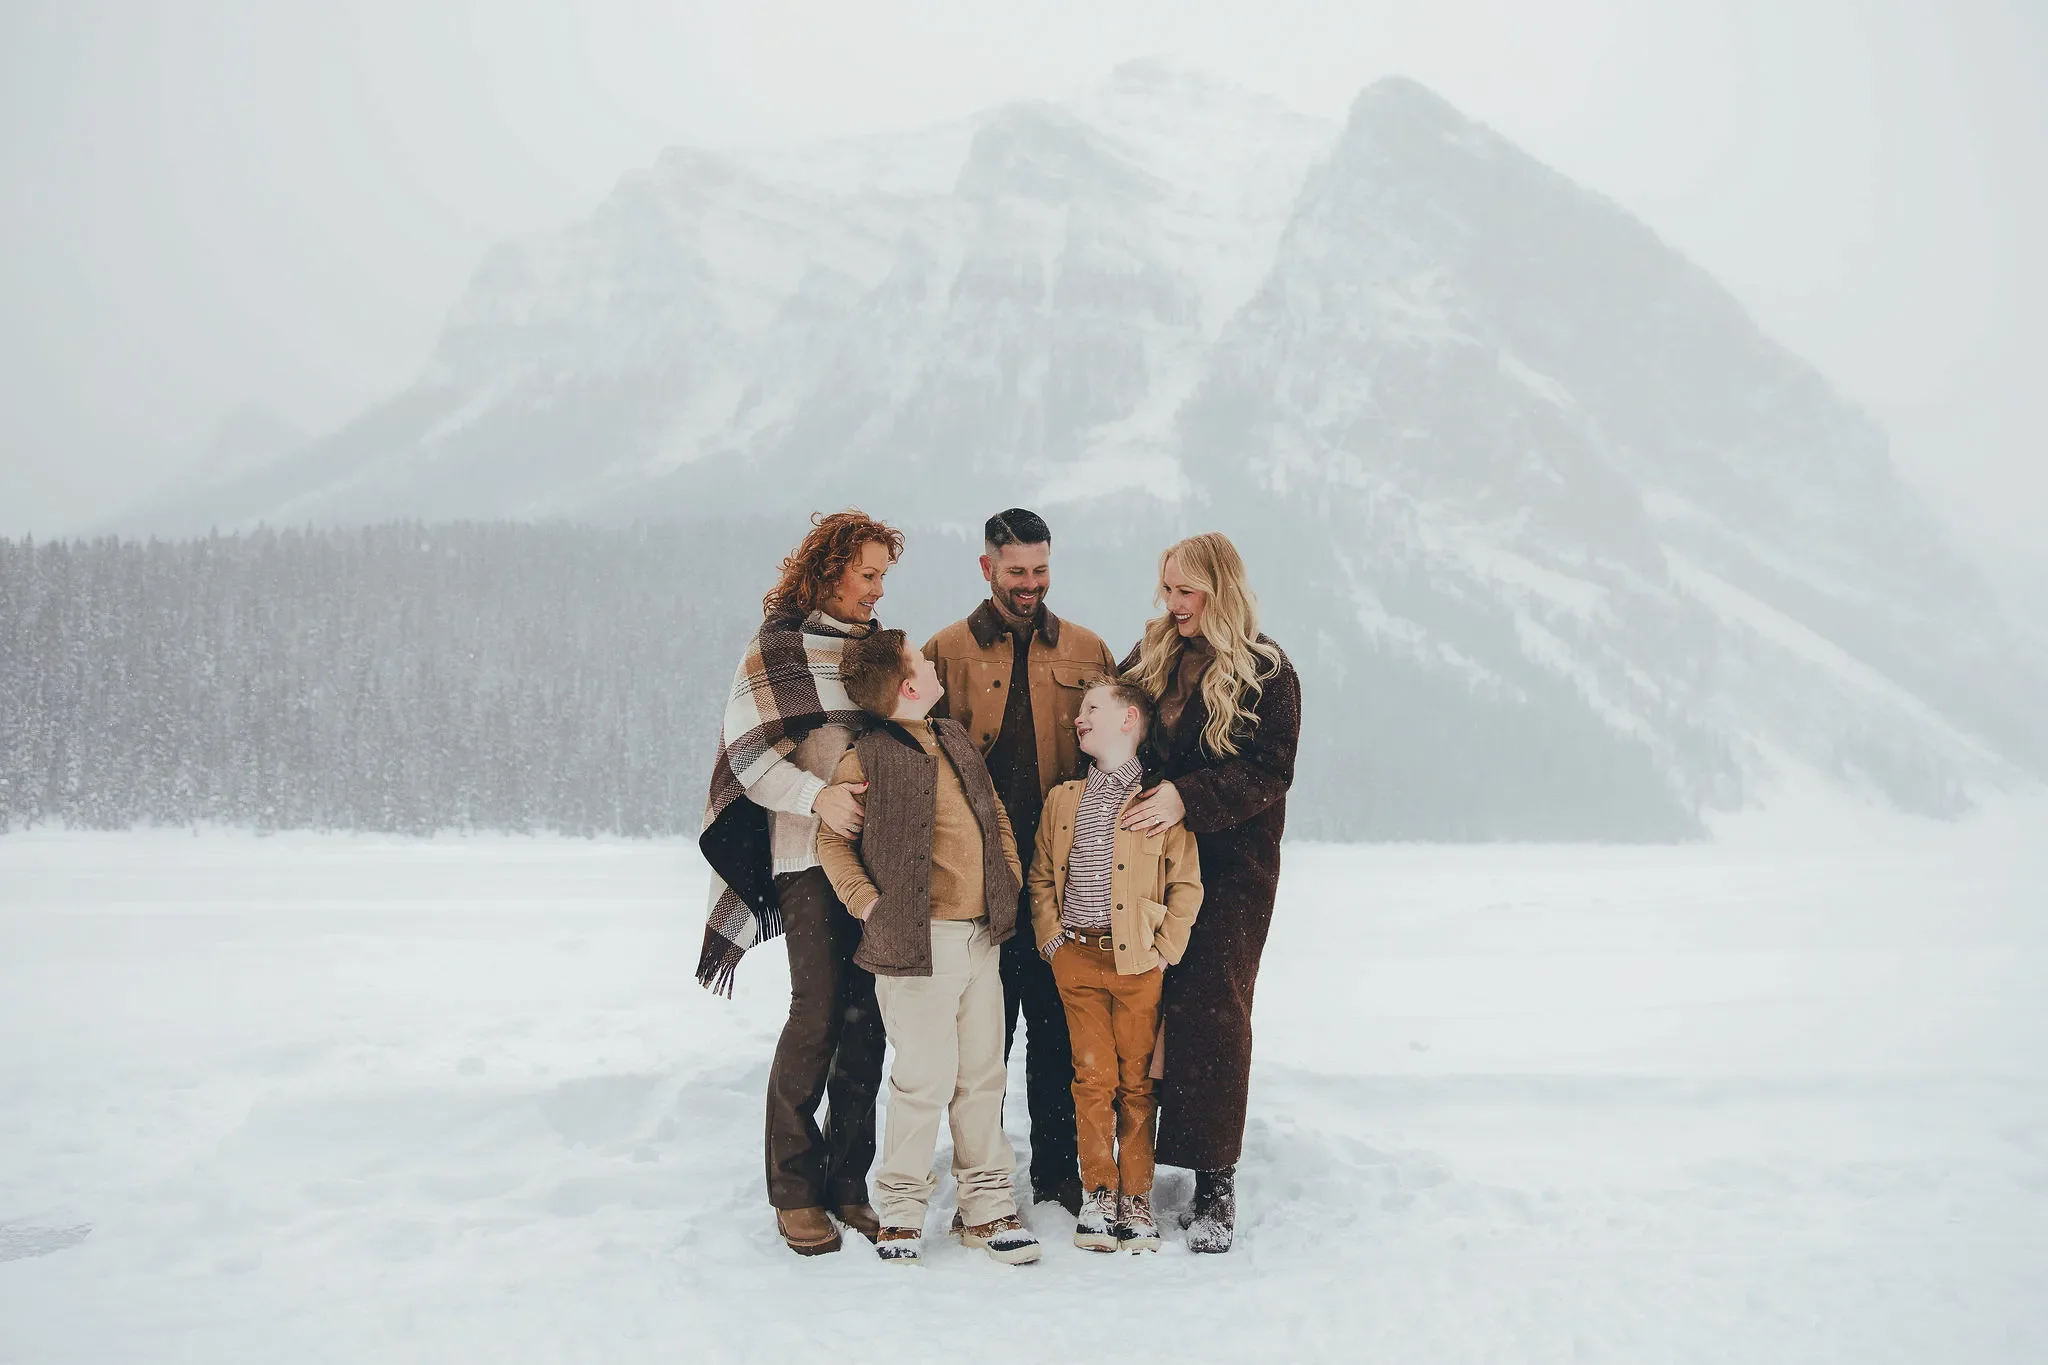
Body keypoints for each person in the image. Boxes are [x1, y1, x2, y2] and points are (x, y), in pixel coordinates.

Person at [695, 510, 901, 1258]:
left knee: (867, 1020)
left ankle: (848, 1182)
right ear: (830, 569)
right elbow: (748, 758)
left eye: (883, 576)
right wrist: (819, 798)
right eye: (867, 574)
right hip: (805, 857)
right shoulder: (779, 648)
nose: (877, 590)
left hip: (874, 862)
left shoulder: (880, 652)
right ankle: (794, 1189)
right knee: (817, 1013)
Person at [815, 629, 1042, 1267]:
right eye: (920, 659)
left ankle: (988, 1207)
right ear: (908, 686)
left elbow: (994, 814)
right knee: (922, 1080)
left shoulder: (954, 739)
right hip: (917, 946)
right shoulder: (865, 757)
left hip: (981, 937)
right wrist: (867, 903)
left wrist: (1008, 874)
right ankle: (902, 1211)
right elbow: (832, 842)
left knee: (983, 1076)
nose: (931, 663)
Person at [921, 508, 1115, 1214]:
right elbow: (915, 757)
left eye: (1040, 569)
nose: (1030, 584)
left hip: (1065, 880)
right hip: (977, 884)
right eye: (1015, 572)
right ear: (987, 568)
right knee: (982, 1040)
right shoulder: (944, 651)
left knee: (1061, 1031)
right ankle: (984, 1176)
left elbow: (1121, 750)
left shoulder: (1089, 651)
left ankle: (1060, 1179)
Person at [1118, 532, 1301, 1254]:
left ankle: (1214, 1179)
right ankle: (1129, 1163)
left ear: (1220, 589)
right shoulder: (1150, 655)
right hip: (1151, 864)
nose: (1174, 603)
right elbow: (1110, 729)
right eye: (1167, 588)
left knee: (1214, 1009)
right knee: (1144, 1000)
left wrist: (1185, 797)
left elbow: (1271, 770)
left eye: (1186, 590)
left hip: (1232, 868)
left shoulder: (1268, 670)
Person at [1028, 678, 1202, 1253]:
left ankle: (1136, 1198)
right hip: (1076, 960)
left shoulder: (1159, 803)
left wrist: (1165, 951)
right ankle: (1099, 1193)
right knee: (1092, 1079)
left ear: (1129, 719)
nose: (1078, 719)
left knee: (1136, 1083)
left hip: (1138, 966)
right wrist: (1052, 941)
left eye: (1091, 709)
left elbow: (1186, 884)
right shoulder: (1063, 799)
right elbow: (1041, 875)